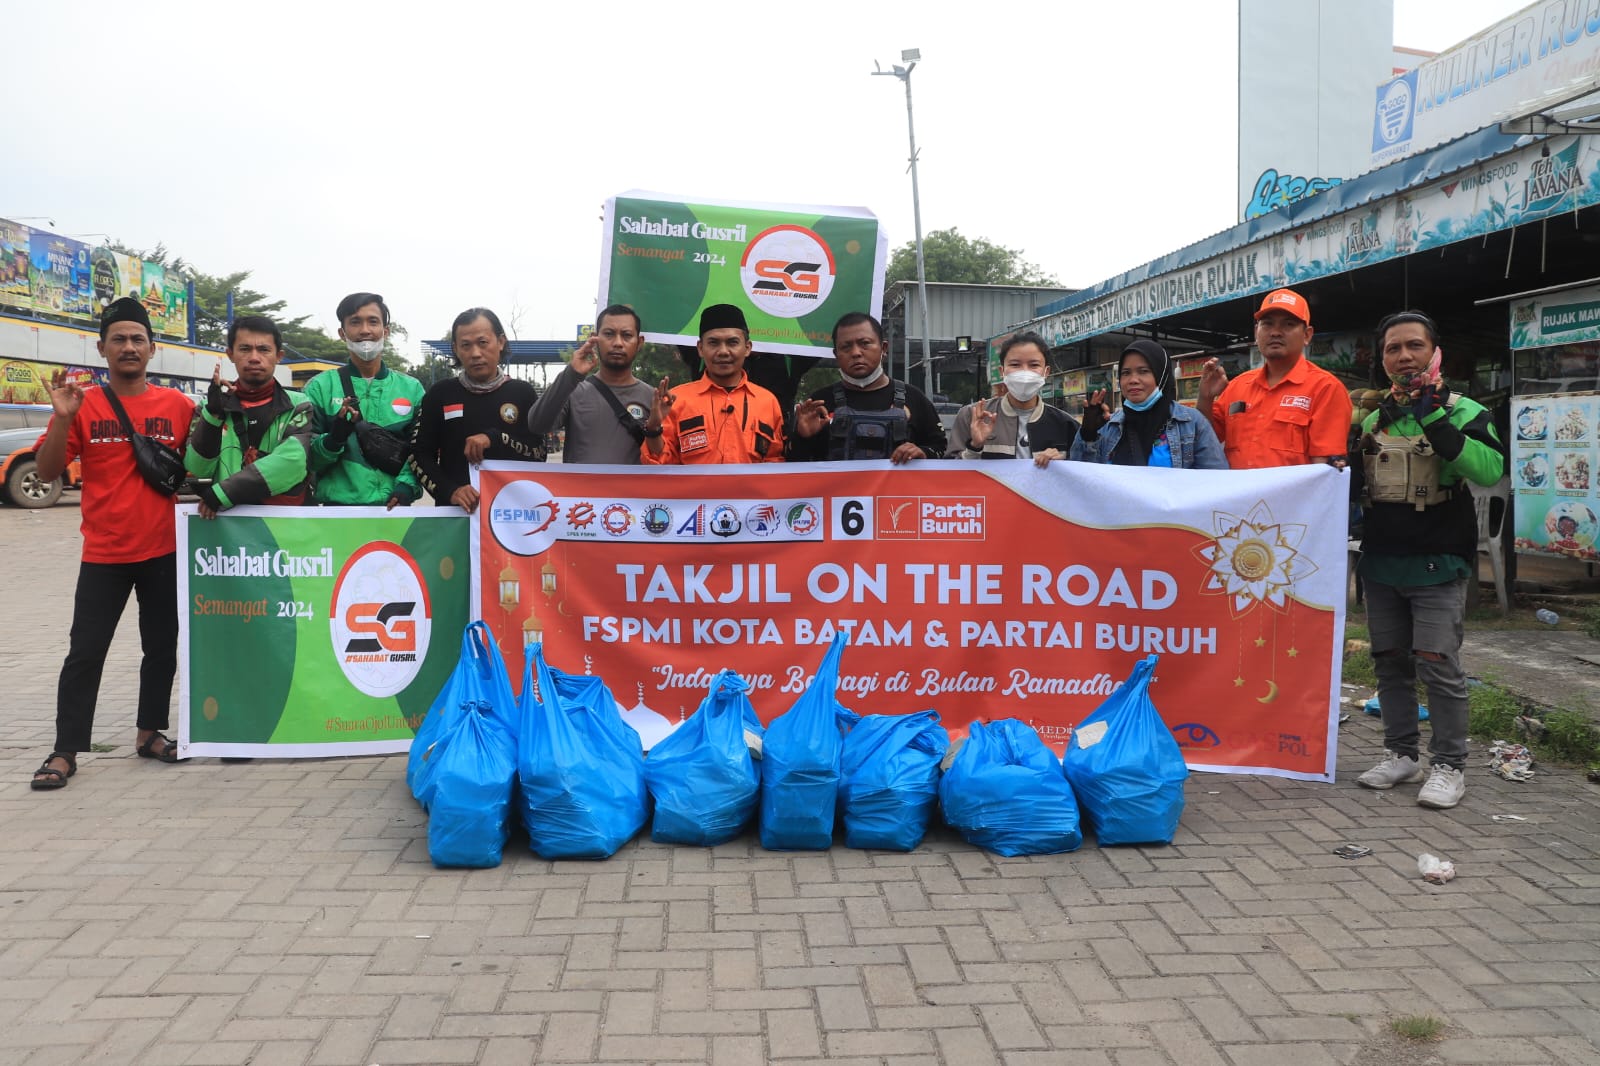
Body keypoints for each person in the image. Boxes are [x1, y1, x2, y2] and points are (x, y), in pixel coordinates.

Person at [30, 297, 195, 788]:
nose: (128, 346)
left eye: (137, 339)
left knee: (162, 647)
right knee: (85, 651)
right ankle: (66, 749)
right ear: (101, 348)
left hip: (164, 548)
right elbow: (46, 471)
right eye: (118, 339)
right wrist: (62, 418)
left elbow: (206, 466)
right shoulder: (84, 403)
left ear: (152, 348)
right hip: (103, 553)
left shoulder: (179, 406)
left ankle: (149, 733)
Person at [1352, 311, 1503, 809]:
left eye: (1413, 346)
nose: (1403, 357)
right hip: (1381, 562)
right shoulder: (1374, 420)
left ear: (1433, 352)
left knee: (1438, 664)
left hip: (1438, 562)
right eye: (1392, 349)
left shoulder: (1463, 411)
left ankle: (1449, 766)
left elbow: (1487, 469)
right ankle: (1401, 754)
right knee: (1391, 664)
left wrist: (1435, 417)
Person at [1197, 288, 1352, 468]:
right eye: (1267, 324)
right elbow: (1205, 441)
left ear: (1307, 335)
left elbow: (1324, 470)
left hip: (1294, 497)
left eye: (1288, 324)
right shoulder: (1237, 386)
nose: (1275, 332)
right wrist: (1205, 398)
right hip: (1238, 496)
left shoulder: (1326, 389)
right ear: (1257, 332)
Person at [407, 307, 543, 510]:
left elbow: (539, 455)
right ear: (455, 349)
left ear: (501, 342)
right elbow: (418, 454)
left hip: (512, 517)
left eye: (483, 343)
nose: (475, 353)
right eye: (466, 345)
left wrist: (496, 439)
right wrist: (450, 491)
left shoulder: (522, 393)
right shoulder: (439, 394)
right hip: (454, 517)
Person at [186, 315, 314, 517]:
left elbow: (294, 463)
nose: (254, 357)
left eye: (264, 349)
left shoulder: (299, 405)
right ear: (230, 354)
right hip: (227, 531)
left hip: (285, 528)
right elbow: (197, 470)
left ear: (278, 356)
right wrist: (213, 415)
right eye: (245, 349)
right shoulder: (207, 407)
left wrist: (223, 493)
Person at [304, 292, 425, 505]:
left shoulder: (412, 389)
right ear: (342, 333)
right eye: (355, 322)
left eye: (373, 322)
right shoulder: (319, 388)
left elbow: (424, 448)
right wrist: (333, 440)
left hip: (397, 511)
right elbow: (306, 459)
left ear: (385, 331)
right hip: (337, 514)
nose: (365, 330)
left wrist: (406, 486)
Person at [787, 312, 946, 463]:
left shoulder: (914, 399)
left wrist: (923, 452)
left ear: (883, 348)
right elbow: (792, 467)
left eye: (865, 344)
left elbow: (941, 449)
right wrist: (802, 438)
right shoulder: (818, 404)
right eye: (846, 347)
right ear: (836, 354)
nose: (856, 353)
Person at [642, 304, 785, 465]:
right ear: (701, 349)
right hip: (694, 491)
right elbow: (659, 464)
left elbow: (775, 463)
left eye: (732, 342)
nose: (723, 351)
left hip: (748, 491)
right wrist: (653, 429)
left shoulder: (768, 402)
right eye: (713, 343)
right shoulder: (676, 400)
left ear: (747, 348)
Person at [527, 304, 654, 464]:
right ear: (595, 338)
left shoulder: (653, 398)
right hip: (579, 489)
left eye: (627, 335)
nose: (618, 343)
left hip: (633, 489)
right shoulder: (573, 391)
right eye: (609, 334)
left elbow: (663, 457)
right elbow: (537, 425)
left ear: (639, 342)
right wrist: (570, 374)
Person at [1070, 339, 1227, 469]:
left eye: (1143, 371)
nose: (1133, 380)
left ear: (1161, 376)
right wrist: (1088, 434)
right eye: (1126, 373)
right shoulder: (1109, 425)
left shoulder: (1191, 423)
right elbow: (1084, 482)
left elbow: (1215, 480)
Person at [947, 331, 1078, 466]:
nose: (1024, 372)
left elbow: (1084, 473)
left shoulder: (1065, 424)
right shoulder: (972, 416)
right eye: (1015, 365)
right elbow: (948, 474)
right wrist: (975, 447)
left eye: (1034, 365)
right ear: (1002, 371)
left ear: (1046, 372)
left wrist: (1061, 464)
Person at [676, 344, 820, 417]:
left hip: (768, 461)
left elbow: (820, 338)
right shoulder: (707, 356)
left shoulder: (790, 360)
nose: (724, 354)